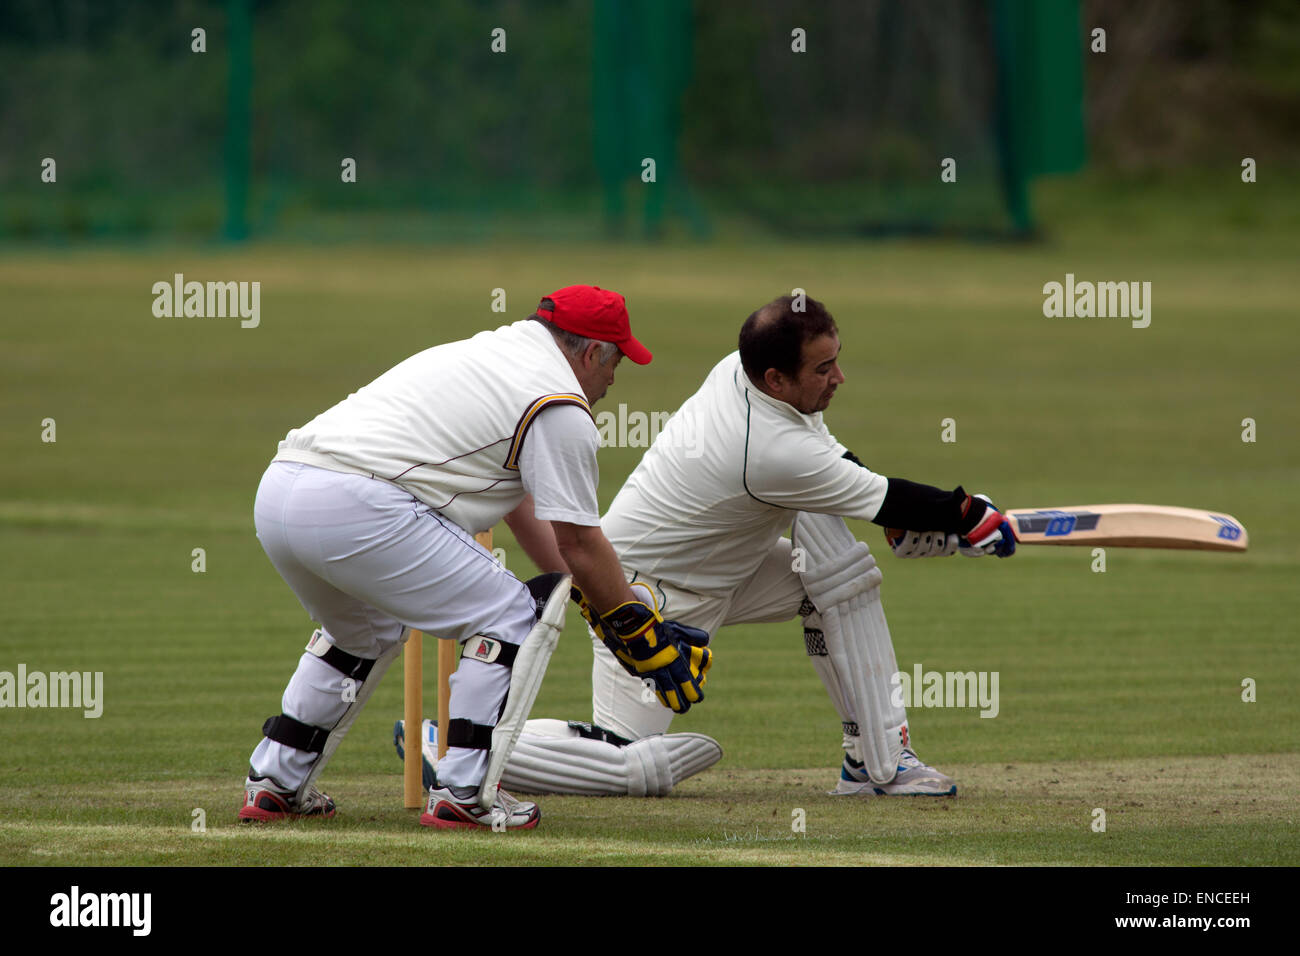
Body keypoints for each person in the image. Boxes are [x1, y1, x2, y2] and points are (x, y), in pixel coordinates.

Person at [399, 292, 1015, 798]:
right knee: (630, 766)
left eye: (836, 361)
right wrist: (966, 516)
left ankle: (877, 762)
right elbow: (859, 487)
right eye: (823, 369)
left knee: (838, 568)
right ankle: (453, 743)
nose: (838, 378)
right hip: (639, 597)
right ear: (776, 378)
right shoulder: (766, 449)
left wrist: (923, 523)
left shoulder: (743, 371)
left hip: (732, 572)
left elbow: (836, 470)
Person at [240, 285, 710, 829]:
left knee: (361, 634)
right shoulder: (560, 405)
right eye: (616, 362)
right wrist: (638, 629)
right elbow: (581, 542)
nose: (612, 379)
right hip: (360, 502)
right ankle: (466, 792)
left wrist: (596, 600)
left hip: (280, 491)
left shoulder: (490, 353)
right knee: (509, 614)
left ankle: (275, 781)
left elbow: (528, 514)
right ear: (590, 354)